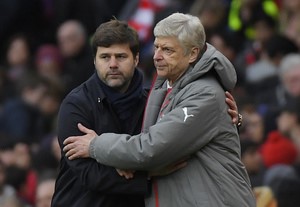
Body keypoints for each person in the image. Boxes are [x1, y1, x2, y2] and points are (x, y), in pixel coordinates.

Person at [63, 13, 255, 207]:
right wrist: (143, 171)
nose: (157, 56)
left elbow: (151, 148)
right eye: (156, 47)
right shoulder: (163, 87)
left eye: (167, 50)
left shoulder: (204, 93)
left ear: (193, 54)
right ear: (94, 60)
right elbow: (89, 172)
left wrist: (96, 145)